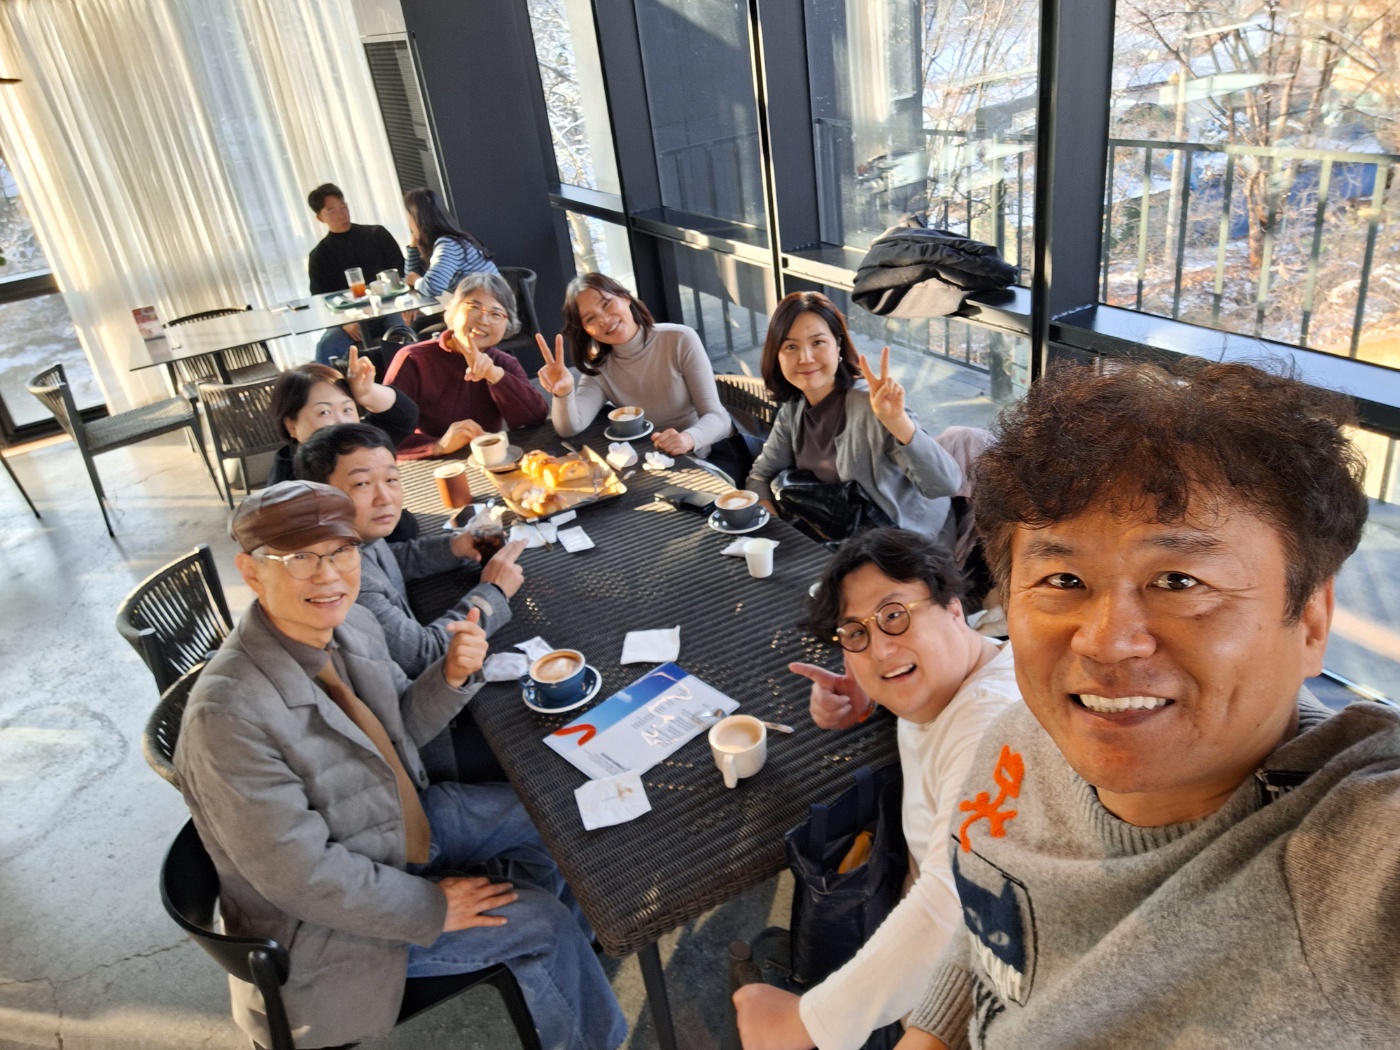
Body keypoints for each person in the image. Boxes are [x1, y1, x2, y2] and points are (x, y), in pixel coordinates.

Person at [894, 359, 1398, 1050]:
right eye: (1063, 579)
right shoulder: (1021, 738)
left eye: (1179, 580)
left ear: (1310, 620)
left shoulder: (1349, 855)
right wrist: (929, 1031)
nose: (1105, 642)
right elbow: (995, 919)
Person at [174, 481, 627, 1050]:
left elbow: (397, 732)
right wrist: (432, 907)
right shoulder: (227, 716)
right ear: (251, 571)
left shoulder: (351, 626)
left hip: (389, 829)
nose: (328, 576)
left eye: (341, 552)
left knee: (550, 816)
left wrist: (450, 676)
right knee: (543, 922)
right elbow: (300, 877)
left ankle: (559, 970)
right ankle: (574, 999)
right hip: (329, 930)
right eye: (299, 558)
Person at [733, 529, 1019, 1050]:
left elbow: (955, 900)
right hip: (899, 910)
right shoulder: (963, 668)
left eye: (894, 615)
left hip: (958, 988)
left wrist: (806, 1022)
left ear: (954, 608)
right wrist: (867, 701)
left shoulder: (992, 722)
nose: (882, 649)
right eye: (855, 633)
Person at [294, 422, 527, 679]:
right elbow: (424, 655)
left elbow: (390, 558)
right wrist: (493, 592)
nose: (385, 497)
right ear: (321, 497)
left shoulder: (350, 535)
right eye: (362, 484)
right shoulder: (340, 581)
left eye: (391, 479)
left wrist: (454, 547)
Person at [745, 292, 962, 543]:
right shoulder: (793, 411)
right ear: (777, 356)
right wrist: (775, 533)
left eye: (817, 342)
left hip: (909, 544)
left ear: (838, 345)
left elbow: (945, 485)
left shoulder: (873, 406)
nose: (805, 358)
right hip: (847, 541)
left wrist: (897, 421)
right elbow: (760, 476)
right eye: (791, 346)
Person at [536, 271, 750, 483]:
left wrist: (687, 439)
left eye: (606, 304)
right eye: (590, 318)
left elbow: (719, 418)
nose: (604, 319)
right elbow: (570, 428)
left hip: (713, 454)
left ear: (625, 298)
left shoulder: (679, 339)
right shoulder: (600, 367)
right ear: (585, 330)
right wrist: (563, 392)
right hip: (661, 463)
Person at [385, 274, 549, 459]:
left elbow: (536, 418)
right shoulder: (414, 359)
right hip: (433, 466)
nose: (483, 320)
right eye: (474, 308)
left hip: (488, 461)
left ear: (507, 326)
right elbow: (384, 434)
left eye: (495, 314)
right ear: (453, 312)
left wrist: (495, 376)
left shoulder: (503, 364)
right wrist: (438, 446)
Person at [305, 182, 407, 365]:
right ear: (320, 218)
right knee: (326, 346)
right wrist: (343, 322)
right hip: (350, 318)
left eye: (343, 207)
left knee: (401, 333)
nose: (341, 214)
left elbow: (400, 272)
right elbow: (320, 298)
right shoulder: (319, 255)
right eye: (332, 211)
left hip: (388, 308)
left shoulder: (376, 234)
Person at [402, 187, 498, 298]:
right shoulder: (442, 243)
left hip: (491, 305)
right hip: (480, 301)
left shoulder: (448, 245)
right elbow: (410, 277)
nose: (408, 221)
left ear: (419, 219)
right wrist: (414, 244)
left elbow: (433, 287)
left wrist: (416, 281)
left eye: (408, 216)